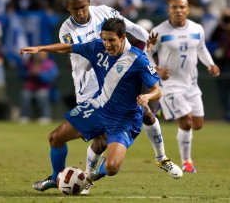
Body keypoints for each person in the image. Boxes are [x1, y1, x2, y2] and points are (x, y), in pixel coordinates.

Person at [34, 0, 182, 194]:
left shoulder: (104, 12)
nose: (81, 12)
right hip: (89, 86)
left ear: (89, 3)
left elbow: (131, 27)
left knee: (146, 113)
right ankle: (67, 177)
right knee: (99, 141)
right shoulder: (67, 30)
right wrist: (98, 54)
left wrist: (146, 41)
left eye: (83, 7)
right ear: (67, 8)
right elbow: (82, 63)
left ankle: (161, 158)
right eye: (75, 9)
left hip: (120, 77)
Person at [19, 18, 162, 192]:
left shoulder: (137, 59)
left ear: (123, 37)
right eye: (104, 39)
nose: (107, 44)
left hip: (124, 120)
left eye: (111, 40)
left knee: (111, 168)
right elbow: (69, 47)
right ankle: (56, 177)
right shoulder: (97, 46)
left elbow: (157, 90)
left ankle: (90, 176)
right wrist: (41, 48)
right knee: (55, 138)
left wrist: (148, 96)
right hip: (98, 108)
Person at [148, 0, 220, 173]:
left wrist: (210, 64)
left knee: (198, 124)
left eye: (182, 7)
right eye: (174, 7)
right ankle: (187, 162)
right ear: (169, 10)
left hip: (192, 85)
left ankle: (167, 110)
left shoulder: (197, 29)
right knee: (186, 122)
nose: (178, 11)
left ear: (188, 9)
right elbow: (146, 53)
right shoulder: (159, 31)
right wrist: (156, 69)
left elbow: (201, 48)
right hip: (170, 85)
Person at [18, 51, 59, 124]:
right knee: (25, 94)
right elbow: (21, 75)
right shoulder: (30, 63)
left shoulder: (50, 64)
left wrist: (39, 74)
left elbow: (51, 77)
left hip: (45, 88)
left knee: (42, 95)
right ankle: (24, 116)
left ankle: (45, 117)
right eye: (38, 54)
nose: (40, 55)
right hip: (30, 88)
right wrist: (29, 73)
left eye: (42, 54)